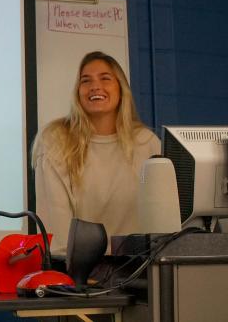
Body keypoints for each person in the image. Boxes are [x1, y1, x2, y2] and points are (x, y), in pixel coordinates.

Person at [31, 51, 160, 254]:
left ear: (121, 88)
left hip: (140, 272)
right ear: (77, 91)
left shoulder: (148, 143)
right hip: (79, 276)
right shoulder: (56, 141)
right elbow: (58, 233)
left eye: (105, 78)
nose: (95, 86)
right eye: (86, 80)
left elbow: (162, 223)